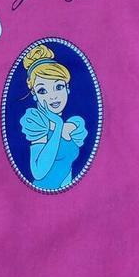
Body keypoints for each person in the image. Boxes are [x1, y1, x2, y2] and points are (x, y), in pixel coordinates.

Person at [20, 44, 87, 190]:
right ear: (34, 95)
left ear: (67, 88)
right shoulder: (38, 125)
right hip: (38, 198)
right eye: (42, 90)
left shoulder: (73, 125)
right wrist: (57, 127)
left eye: (58, 87)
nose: (53, 96)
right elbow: (38, 172)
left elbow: (68, 169)